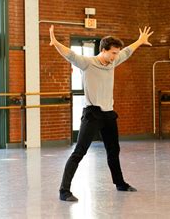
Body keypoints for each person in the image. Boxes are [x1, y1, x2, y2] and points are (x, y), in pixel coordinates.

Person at [49, 25, 154, 202]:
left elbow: (128, 52)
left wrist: (140, 41)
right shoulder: (87, 63)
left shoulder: (113, 62)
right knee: (79, 152)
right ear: (103, 50)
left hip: (108, 114)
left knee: (114, 151)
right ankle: (64, 190)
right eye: (113, 53)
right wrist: (55, 42)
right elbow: (70, 54)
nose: (115, 57)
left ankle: (120, 183)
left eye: (116, 53)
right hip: (92, 114)